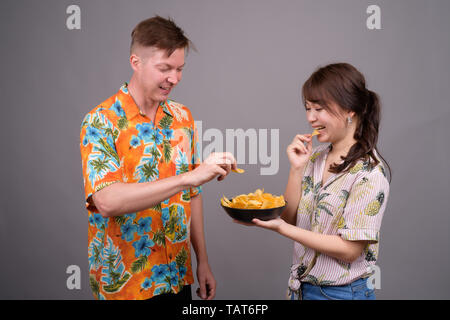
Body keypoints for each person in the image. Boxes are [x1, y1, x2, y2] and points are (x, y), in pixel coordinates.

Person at [79, 16, 237, 300]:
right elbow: (106, 201)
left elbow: (193, 195)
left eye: (179, 69)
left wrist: (202, 261)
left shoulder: (182, 117)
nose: (174, 79)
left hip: (176, 277)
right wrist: (190, 176)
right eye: (164, 68)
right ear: (135, 62)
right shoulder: (100, 121)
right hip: (127, 286)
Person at [235, 63, 390, 300]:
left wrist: (282, 228)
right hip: (301, 289)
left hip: (341, 294)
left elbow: (349, 250)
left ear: (350, 109)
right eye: (308, 108)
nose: (310, 118)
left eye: (319, 109)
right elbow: (289, 217)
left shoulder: (369, 173)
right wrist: (296, 169)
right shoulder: (315, 157)